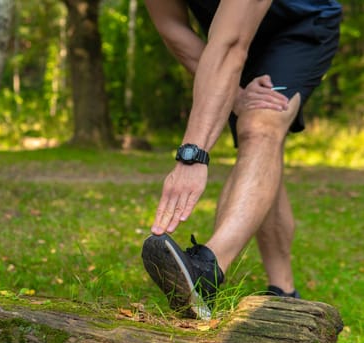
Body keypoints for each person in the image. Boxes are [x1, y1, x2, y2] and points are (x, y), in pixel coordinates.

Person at [140, 0, 342, 319]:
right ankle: (285, 292)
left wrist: (192, 156)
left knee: (259, 125)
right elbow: (173, 28)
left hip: (298, 26)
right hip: (225, 39)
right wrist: (234, 93)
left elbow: (232, 43)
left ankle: (207, 270)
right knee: (259, 152)